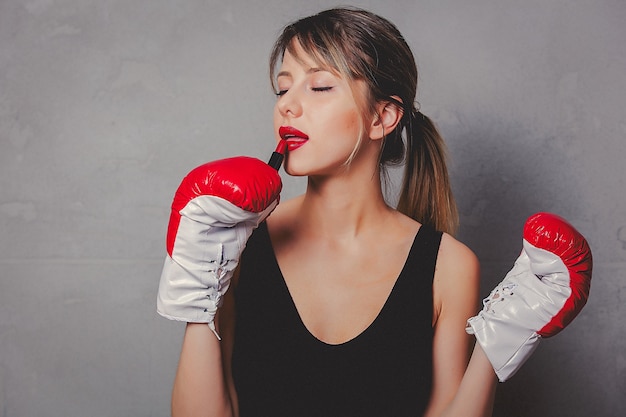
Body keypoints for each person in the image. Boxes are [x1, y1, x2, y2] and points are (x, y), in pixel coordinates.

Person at [158, 7, 592, 417]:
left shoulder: (449, 266)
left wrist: (499, 345)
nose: (287, 105)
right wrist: (197, 293)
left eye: (320, 86)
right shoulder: (234, 241)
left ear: (382, 117)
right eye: (282, 87)